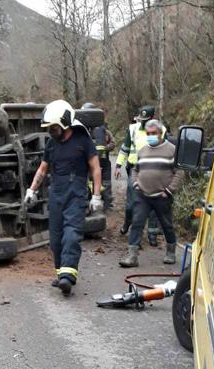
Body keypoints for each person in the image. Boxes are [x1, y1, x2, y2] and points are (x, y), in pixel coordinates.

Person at [24, 100, 103, 296]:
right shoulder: (52, 144)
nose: (51, 131)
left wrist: (96, 196)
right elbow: (43, 169)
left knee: (71, 234)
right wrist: (32, 190)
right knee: (56, 238)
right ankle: (61, 274)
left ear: (65, 123)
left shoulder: (83, 141)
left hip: (76, 193)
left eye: (53, 127)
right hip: (56, 193)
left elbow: (95, 168)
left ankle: (68, 277)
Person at [119, 119, 184, 267]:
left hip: (162, 196)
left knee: (166, 224)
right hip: (143, 195)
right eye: (148, 133)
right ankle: (132, 256)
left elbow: (179, 172)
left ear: (161, 133)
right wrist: (135, 183)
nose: (150, 136)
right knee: (137, 223)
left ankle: (170, 251)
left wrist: (169, 190)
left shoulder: (171, 150)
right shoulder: (142, 151)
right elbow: (135, 169)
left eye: (153, 133)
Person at [114, 106, 166, 246]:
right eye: (141, 120)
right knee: (131, 204)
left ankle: (152, 234)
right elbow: (125, 148)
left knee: (153, 204)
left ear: (153, 118)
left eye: (146, 120)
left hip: (154, 171)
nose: (143, 123)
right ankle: (127, 223)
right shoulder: (133, 129)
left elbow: (166, 149)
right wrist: (118, 165)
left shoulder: (162, 130)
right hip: (135, 170)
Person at [83, 103, 115, 211]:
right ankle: (89, 203)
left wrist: (105, 148)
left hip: (104, 162)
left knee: (106, 184)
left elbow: (112, 143)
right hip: (89, 163)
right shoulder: (82, 131)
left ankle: (108, 205)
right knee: (88, 183)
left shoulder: (104, 130)